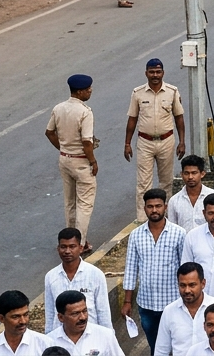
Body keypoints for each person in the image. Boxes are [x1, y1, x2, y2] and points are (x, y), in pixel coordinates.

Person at [122, 188, 187, 351]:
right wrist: (127, 302)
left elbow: (184, 268)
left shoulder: (179, 233)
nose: (154, 210)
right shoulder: (136, 235)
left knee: (175, 345)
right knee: (155, 346)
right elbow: (131, 269)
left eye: (158, 206)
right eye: (150, 206)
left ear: (165, 207)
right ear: (145, 208)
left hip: (172, 302)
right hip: (146, 303)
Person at [125, 58, 186, 220]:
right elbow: (132, 119)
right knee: (143, 183)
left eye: (158, 72)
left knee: (166, 181)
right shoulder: (138, 93)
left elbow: (179, 118)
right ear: (146, 73)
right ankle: (142, 218)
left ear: (163, 73)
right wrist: (127, 143)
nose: (155, 75)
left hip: (167, 141)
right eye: (151, 72)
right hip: (145, 142)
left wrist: (182, 142)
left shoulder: (172, 92)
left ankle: (165, 216)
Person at [46, 74, 99, 249]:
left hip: (65, 159)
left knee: (70, 202)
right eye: (88, 89)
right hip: (81, 162)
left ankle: (70, 239)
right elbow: (87, 142)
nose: (90, 91)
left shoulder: (59, 108)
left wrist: (63, 148)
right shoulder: (85, 112)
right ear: (80, 92)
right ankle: (80, 243)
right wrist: (93, 161)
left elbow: (49, 132)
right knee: (84, 204)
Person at [43, 228, 110, 335]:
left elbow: (103, 311)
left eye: (72, 246)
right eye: (63, 247)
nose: (67, 251)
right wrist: (48, 338)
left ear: (81, 248)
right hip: (60, 338)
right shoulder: (51, 277)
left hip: (90, 335)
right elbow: (50, 313)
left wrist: (108, 336)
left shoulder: (95, 275)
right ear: (58, 249)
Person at [155, 262, 214, 356]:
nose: (187, 290)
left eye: (192, 285)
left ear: (203, 284)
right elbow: (161, 350)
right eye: (182, 285)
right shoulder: (169, 311)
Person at [49, 290, 125, 356]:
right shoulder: (50, 342)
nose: (83, 317)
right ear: (61, 317)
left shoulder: (105, 335)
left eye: (84, 311)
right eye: (75, 314)